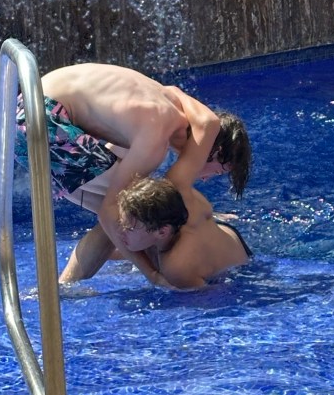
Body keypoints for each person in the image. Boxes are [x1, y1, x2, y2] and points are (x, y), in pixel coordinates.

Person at [15, 62, 251, 286]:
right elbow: (112, 211)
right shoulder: (155, 136)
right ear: (214, 149)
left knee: (129, 215)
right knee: (135, 212)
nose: (206, 177)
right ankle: (62, 290)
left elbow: (192, 107)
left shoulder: (165, 104)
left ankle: (64, 287)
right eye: (218, 170)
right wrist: (153, 275)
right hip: (44, 120)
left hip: (26, 109)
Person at [60, 176, 252, 288]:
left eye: (128, 228)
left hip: (235, 264)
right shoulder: (166, 223)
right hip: (217, 232)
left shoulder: (176, 268)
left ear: (161, 232)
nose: (119, 232)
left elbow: (208, 298)